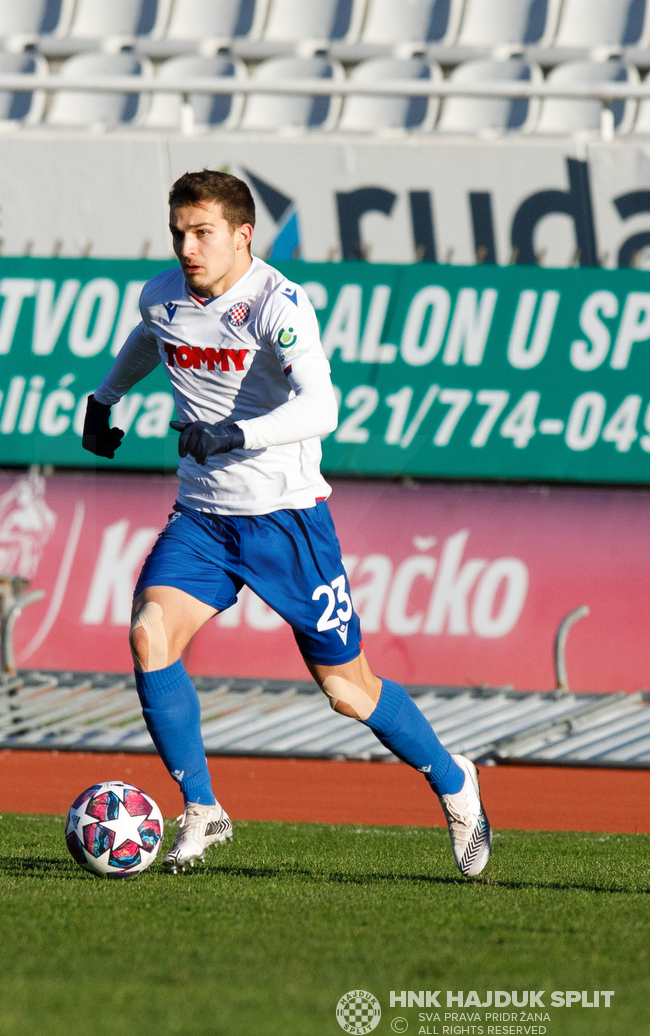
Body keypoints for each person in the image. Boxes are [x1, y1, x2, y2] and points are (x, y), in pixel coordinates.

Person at [82, 171, 490, 878]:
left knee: (347, 691)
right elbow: (156, 334)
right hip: (204, 518)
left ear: (244, 235)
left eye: (203, 232)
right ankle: (203, 808)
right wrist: (105, 395)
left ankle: (455, 781)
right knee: (150, 634)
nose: (187, 246)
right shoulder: (161, 293)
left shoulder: (278, 303)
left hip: (286, 521)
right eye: (179, 231)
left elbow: (322, 407)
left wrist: (237, 435)